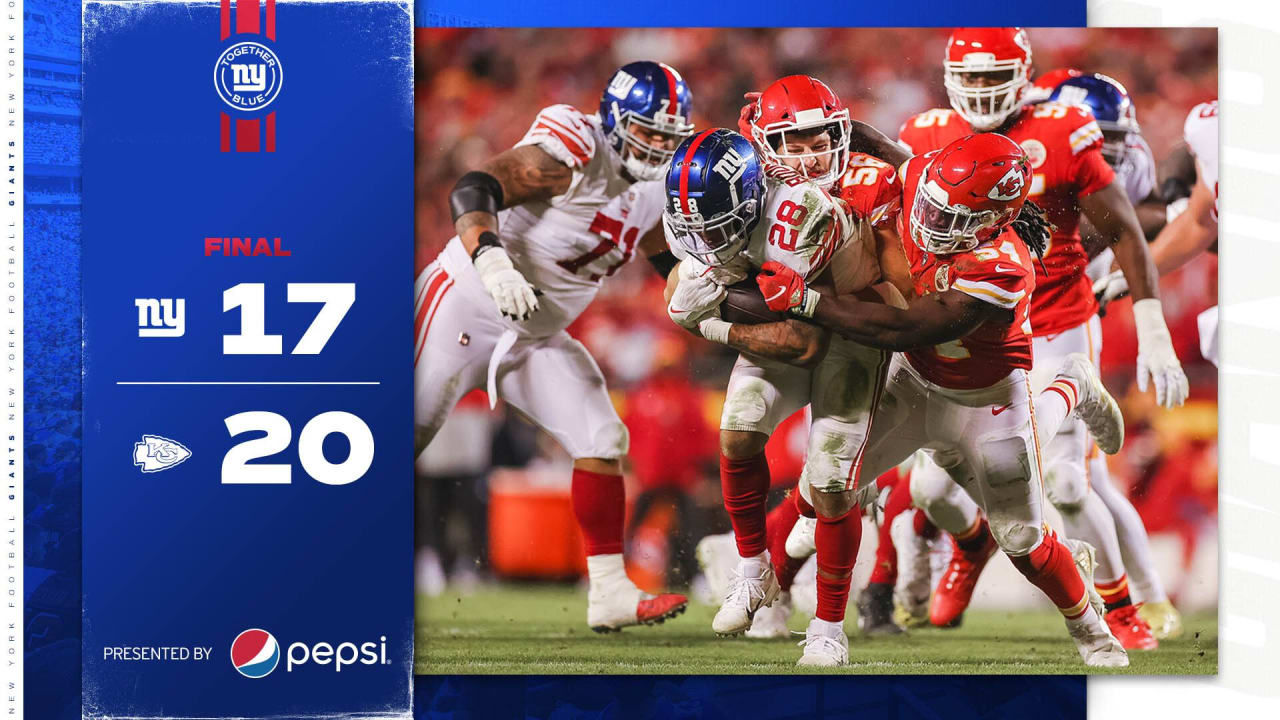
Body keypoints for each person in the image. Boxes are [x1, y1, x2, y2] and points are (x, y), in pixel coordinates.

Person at [753, 133, 1130, 668]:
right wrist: (827, 125)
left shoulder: (1002, 265)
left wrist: (808, 301)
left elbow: (907, 327)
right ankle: (791, 608)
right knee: (826, 482)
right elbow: (886, 151)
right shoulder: (926, 178)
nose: (930, 220)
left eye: (952, 216)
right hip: (912, 384)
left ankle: (1095, 635)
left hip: (987, 401)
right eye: (931, 203)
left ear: (994, 221)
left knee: (1021, 538)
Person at [876, 28, 1186, 648]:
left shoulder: (1061, 128)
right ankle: (971, 543)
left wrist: (1154, 329)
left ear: (1023, 76)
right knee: (932, 488)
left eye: (997, 79)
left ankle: (1121, 611)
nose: (985, 93)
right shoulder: (924, 134)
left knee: (1068, 484)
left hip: (1056, 323)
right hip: (975, 329)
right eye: (974, 79)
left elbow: (1125, 228)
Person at [414, 61, 695, 632]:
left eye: (669, 135)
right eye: (647, 130)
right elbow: (475, 187)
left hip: (534, 336)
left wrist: (709, 300)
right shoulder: (573, 143)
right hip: (464, 304)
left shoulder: (654, 192)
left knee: (602, 435)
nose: (658, 145)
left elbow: (668, 263)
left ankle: (611, 591)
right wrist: (492, 262)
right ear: (615, 119)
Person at [661, 127, 906, 664]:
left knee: (832, 480)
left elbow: (802, 343)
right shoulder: (695, 212)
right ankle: (752, 569)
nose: (709, 240)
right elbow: (676, 286)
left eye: (722, 227)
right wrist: (698, 299)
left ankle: (827, 630)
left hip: (850, 325)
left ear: (750, 200)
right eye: (695, 228)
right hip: (791, 319)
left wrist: (714, 320)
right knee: (738, 431)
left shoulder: (799, 214)